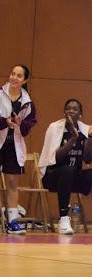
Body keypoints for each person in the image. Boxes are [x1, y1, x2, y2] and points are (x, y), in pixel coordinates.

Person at [0, 65, 37, 234]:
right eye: (12, 74)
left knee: (12, 182)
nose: (14, 78)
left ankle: (12, 220)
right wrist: (5, 122)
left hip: (13, 145)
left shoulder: (28, 102)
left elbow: (28, 128)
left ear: (24, 80)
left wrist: (20, 122)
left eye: (19, 76)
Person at [39, 99, 92, 234]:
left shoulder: (86, 130)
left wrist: (90, 140)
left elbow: (87, 159)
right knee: (67, 170)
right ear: (64, 112)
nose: (71, 111)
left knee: (78, 172)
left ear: (80, 114)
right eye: (68, 108)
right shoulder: (55, 128)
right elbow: (55, 159)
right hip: (52, 177)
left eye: (75, 109)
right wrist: (73, 139)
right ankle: (63, 218)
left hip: (73, 177)